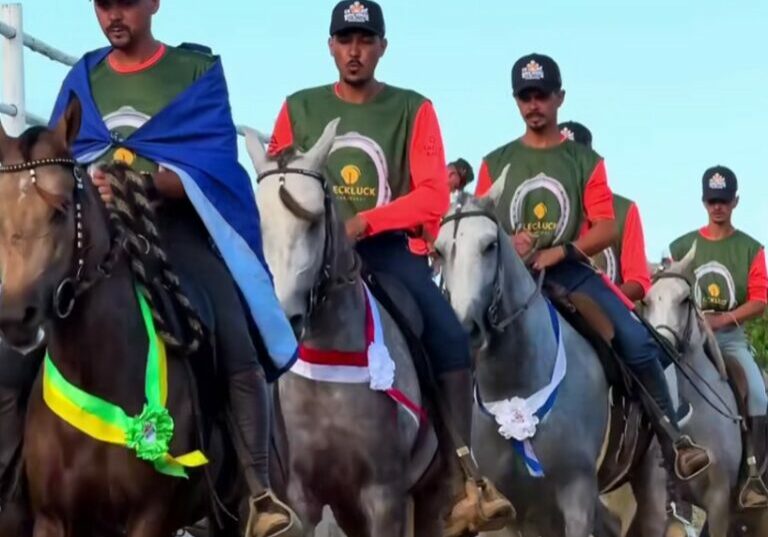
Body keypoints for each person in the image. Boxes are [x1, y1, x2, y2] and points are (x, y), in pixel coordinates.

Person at [4, 1, 302, 535]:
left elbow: (213, 162)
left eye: (127, 3)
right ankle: (10, 489)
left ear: (155, 4)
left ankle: (259, 492)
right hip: (95, 236)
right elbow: (57, 156)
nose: (115, 15)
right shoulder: (83, 76)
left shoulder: (196, 72)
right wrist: (80, 183)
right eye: (103, 5)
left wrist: (146, 182)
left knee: (232, 330)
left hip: (178, 233)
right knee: (17, 343)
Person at [267, 2, 514, 534]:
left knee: (448, 336)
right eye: (345, 40)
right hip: (310, 257)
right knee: (255, 327)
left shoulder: (413, 108)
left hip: (387, 253)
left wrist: (365, 224)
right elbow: (278, 181)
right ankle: (252, 481)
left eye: (365, 40)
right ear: (330, 45)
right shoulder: (297, 108)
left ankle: (461, 476)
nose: (354, 51)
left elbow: (430, 197)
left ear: (382, 46)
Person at [474, 52, 712, 525]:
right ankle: (458, 465)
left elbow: (604, 228)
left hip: (570, 274)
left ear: (559, 98)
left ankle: (674, 442)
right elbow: (483, 223)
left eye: (542, 95)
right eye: (525, 96)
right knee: (457, 334)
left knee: (639, 344)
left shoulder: (584, 160)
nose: (534, 104)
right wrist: (508, 242)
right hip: (509, 281)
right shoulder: (495, 161)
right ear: (516, 100)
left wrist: (556, 251)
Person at [669, 165, 768, 508]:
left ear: (735, 201)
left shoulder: (751, 249)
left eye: (724, 201)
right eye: (712, 201)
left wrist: (724, 318)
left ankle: (753, 476)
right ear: (703, 201)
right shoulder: (682, 246)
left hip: (730, 342)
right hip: (687, 343)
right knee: (655, 385)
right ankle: (659, 469)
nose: (718, 207)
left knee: (758, 394)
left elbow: (760, 299)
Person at [559, 121, 651, 302]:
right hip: (551, 306)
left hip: (607, 311)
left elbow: (638, 282)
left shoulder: (624, 210)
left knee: (635, 332)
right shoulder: (540, 206)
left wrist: (602, 301)